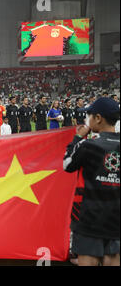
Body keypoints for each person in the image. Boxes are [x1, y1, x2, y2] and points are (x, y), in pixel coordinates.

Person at [63, 97, 120, 266]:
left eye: (89, 115)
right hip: (116, 219)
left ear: (98, 118)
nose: (87, 118)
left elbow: (67, 164)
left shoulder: (88, 145)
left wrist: (77, 138)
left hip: (90, 219)